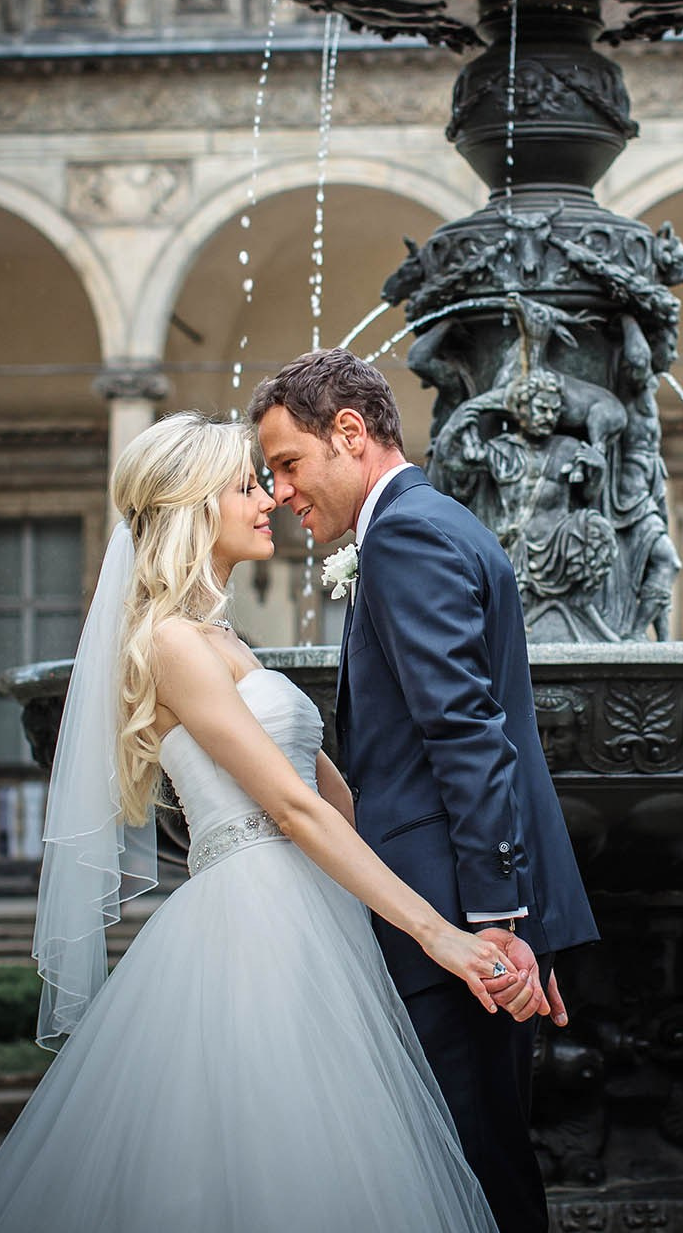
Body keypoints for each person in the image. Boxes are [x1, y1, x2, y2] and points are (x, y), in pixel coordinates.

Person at [0, 411, 511, 1233]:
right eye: (247, 486)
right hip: (254, 922)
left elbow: (339, 802)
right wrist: (439, 936)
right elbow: (290, 807)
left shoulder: (227, 640)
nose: (270, 500)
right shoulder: (169, 643)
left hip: (316, 912)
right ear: (191, 506)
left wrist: (461, 902)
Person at [251, 349, 599, 1233]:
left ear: (351, 433)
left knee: (472, 1173)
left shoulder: (405, 534)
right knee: (473, 1162)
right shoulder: (439, 522)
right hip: (465, 906)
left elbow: (465, 732)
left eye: (289, 464)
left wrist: (494, 923)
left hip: (452, 918)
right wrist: (514, 914)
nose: (284, 491)